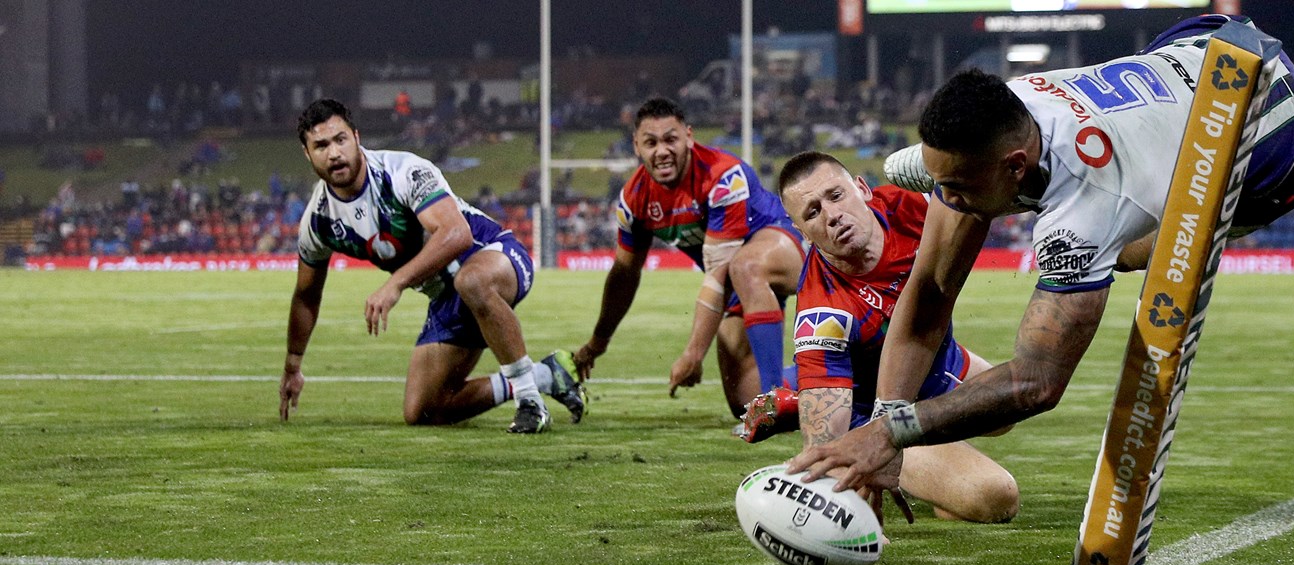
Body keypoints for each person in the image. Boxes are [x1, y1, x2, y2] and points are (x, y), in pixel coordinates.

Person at [789, 15, 1294, 491]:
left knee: (1134, 251)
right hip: (1201, 43)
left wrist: (888, 433)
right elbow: (929, 291)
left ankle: (1155, 225)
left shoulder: (1084, 215)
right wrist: (890, 424)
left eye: (956, 187)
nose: (944, 201)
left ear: (1015, 167)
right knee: (937, 199)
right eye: (940, 182)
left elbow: (1036, 383)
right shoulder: (1001, 110)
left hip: (1275, 136)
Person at [737, 151, 1018, 523]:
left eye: (836, 196)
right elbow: (826, 448)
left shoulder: (912, 206)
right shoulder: (823, 314)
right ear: (802, 233)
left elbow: (989, 189)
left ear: (862, 189)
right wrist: (848, 509)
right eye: (813, 213)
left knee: (1009, 411)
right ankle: (803, 400)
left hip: (936, 363)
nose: (832, 215)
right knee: (995, 499)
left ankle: (798, 399)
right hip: (869, 412)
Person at [279, 99, 587, 433]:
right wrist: (293, 365)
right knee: (424, 411)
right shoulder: (319, 220)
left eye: (340, 140)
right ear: (307, 154)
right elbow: (306, 295)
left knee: (470, 281)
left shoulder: (402, 171)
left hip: (494, 256)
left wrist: (395, 283)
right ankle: (545, 375)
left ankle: (529, 403)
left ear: (356, 137)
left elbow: (457, 235)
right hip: (446, 296)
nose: (334, 153)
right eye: (321, 145)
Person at [571, 98, 804, 415]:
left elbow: (720, 271)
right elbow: (624, 275)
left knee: (745, 265)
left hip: (786, 246)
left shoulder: (723, 176)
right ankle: (835, 379)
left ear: (689, 137)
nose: (662, 150)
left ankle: (775, 401)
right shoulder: (634, 200)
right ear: (637, 147)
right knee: (742, 401)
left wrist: (694, 353)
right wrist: (597, 342)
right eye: (651, 142)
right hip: (737, 283)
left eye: (671, 139)